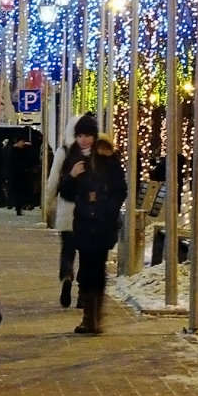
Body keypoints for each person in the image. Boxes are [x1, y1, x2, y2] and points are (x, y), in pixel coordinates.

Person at [57, 114, 126, 335]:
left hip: (103, 222)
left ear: (94, 136)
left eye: (87, 135)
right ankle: (89, 317)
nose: (83, 140)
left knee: (98, 268)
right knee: (86, 269)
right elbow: (66, 193)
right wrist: (72, 175)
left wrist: (109, 209)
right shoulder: (73, 157)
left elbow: (120, 188)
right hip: (84, 222)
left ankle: (95, 318)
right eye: (79, 135)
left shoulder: (107, 156)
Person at [44, 114, 83, 308]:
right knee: (87, 251)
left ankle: (67, 276)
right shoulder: (93, 152)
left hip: (67, 209)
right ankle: (84, 290)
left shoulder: (64, 151)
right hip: (89, 212)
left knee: (67, 249)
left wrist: (48, 202)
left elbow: (53, 180)